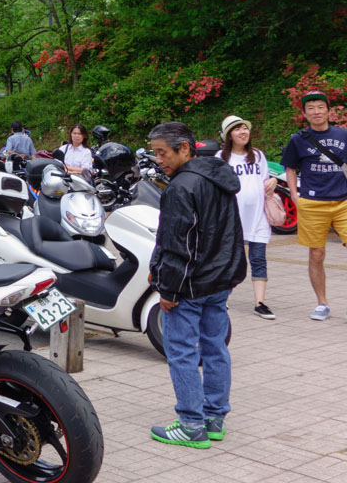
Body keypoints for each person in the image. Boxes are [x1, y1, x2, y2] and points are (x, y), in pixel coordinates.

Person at [147, 121, 245, 449]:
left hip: (189, 286)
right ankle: (214, 418)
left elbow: (178, 245)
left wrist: (168, 290)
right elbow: (230, 233)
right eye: (155, 153)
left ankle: (191, 424)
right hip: (220, 280)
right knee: (215, 348)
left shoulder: (181, 187)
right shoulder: (219, 177)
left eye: (163, 152)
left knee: (182, 353)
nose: (159, 159)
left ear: (185, 148)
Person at [280, 91, 347, 321]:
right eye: (311, 108)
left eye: (320, 107)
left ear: (329, 111)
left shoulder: (343, 135)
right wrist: (294, 195)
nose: (316, 112)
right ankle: (322, 303)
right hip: (313, 202)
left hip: (343, 201)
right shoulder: (298, 139)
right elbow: (290, 168)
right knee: (317, 254)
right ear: (304, 114)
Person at [220, 115, 276, 319]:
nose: (243, 132)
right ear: (229, 135)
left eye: (245, 128)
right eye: (237, 129)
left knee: (258, 259)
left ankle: (260, 303)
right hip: (232, 218)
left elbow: (265, 180)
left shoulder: (258, 156)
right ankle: (221, 298)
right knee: (230, 260)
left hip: (258, 217)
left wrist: (273, 182)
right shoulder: (221, 157)